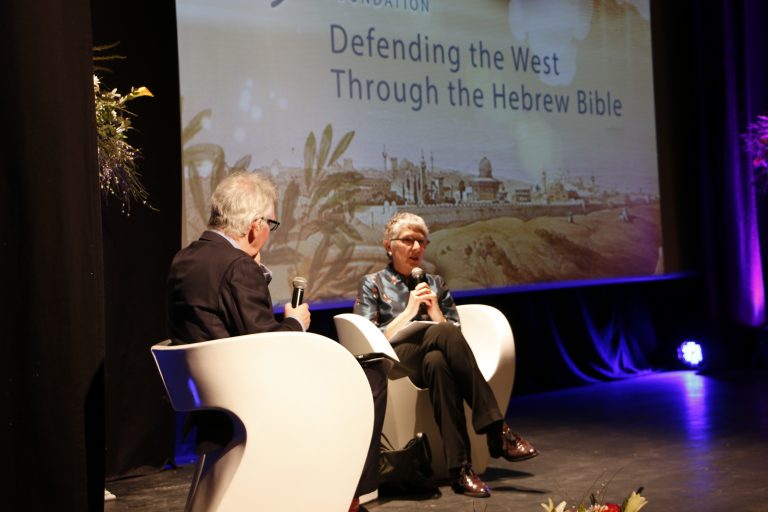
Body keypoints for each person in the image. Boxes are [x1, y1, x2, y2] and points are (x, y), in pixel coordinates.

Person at [166, 171, 385, 512]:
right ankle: (351, 495)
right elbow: (271, 351)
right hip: (248, 399)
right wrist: (296, 322)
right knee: (369, 378)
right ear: (254, 226)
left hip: (207, 397)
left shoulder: (184, 260)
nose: (270, 232)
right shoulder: (237, 266)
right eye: (272, 223)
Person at [353, 212, 538, 499]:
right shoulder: (373, 283)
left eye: (421, 242)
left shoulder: (435, 283)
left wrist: (435, 311)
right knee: (443, 337)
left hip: (430, 358)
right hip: (397, 360)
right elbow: (370, 337)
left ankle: (460, 470)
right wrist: (409, 313)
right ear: (389, 245)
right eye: (408, 241)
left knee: (438, 361)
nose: (416, 248)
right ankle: (496, 429)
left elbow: (456, 336)